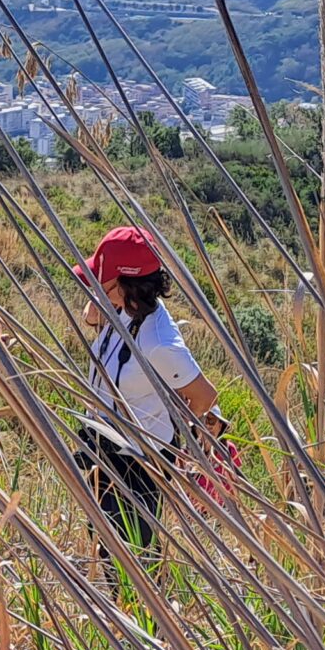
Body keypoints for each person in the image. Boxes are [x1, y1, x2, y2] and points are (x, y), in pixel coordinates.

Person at [72, 225, 218, 557]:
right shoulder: (128, 307)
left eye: (102, 281)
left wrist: (167, 423)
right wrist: (100, 305)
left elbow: (205, 398)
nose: (96, 288)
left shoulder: (159, 344)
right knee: (102, 540)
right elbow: (91, 316)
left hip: (139, 462)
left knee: (125, 555)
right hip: (105, 446)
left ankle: (139, 606)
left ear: (125, 285)